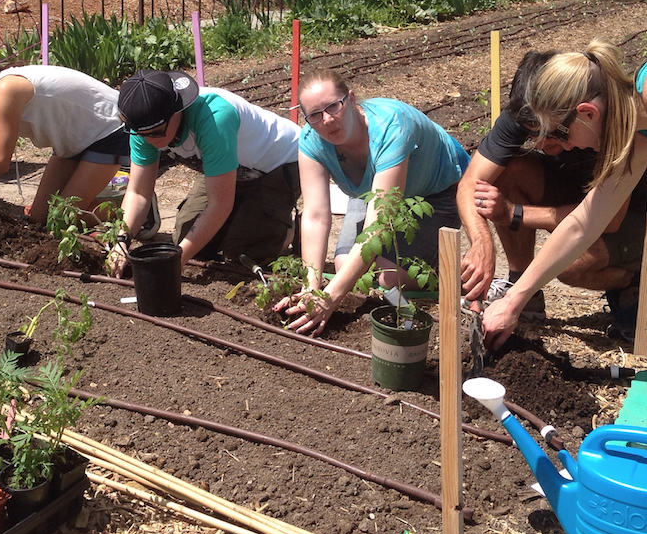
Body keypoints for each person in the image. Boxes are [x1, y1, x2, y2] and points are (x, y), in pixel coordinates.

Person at [274, 68, 470, 335]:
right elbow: (316, 215)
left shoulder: (391, 126)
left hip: (435, 191)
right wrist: (311, 289)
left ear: (351, 99)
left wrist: (329, 299)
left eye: (334, 107)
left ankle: (440, 271)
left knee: (389, 280)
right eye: (315, 116)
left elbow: (379, 224)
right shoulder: (311, 142)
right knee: (349, 271)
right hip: (373, 192)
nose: (328, 120)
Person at [459, 51, 645, 325]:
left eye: (560, 133)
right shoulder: (634, 140)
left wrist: (514, 213)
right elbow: (584, 223)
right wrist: (514, 301)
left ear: (587, 113)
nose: (565, 146)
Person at [107, 69, 301, 275]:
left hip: (278, 165)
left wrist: (177, 260)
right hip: (229, 169)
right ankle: (246, 218)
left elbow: (220, 204)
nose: (148, 140)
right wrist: (122, 241)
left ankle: (287, 229)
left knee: (243, 254)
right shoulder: (144, 125)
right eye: (140, 134)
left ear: (177, 111)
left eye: (155, 133)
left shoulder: (215, 118)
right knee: (184, 238)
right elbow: (138, 192)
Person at [0, 49, 134, 230]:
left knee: (62, 219)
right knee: (40, 217)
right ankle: (100, 200)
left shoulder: (8, 88)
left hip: (107, 129)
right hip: (72, 141)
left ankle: (129, 208)